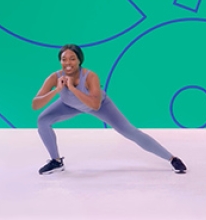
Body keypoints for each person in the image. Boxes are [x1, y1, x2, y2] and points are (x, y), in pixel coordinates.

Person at [32, 44, 187, 174]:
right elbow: (35, 104)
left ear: (79, 60)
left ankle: (172, 158)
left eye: (72, 58)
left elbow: (94, 105)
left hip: (99, 104)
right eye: (64, 59)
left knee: (130, 131)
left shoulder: (90, 76)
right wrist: (56, 91)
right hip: (69, 105)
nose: (68, 63)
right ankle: (56, 161)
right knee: (43, 120)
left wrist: (72, 88)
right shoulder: (55, 77)